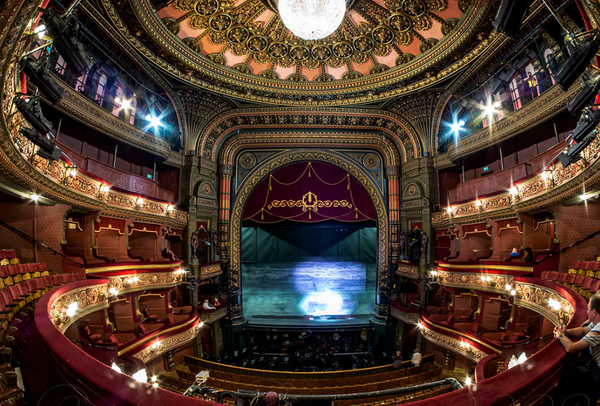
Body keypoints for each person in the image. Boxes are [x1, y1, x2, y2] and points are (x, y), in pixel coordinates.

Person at [553, 293, 600, 404]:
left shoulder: (599, 330)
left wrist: (560, 335)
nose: (586, 312)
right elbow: (584, 330)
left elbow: (571, 347)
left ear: (594, 312)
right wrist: (566, 331)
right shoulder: (596, 322)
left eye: (588, 309)